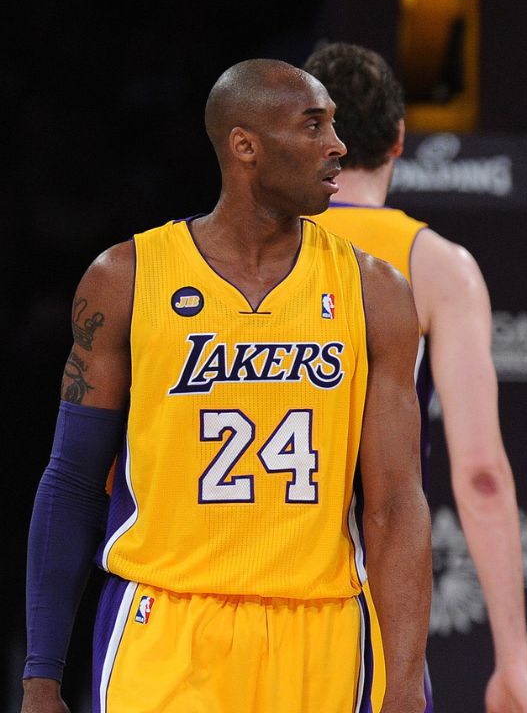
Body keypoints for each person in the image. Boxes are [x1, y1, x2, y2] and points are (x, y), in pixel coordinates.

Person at [22, 59, 431, 712]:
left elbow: (395, 506)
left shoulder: (375, 292)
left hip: (320, 627)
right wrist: (42, 674)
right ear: (246, 146)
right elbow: (71, 480)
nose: (339, 146)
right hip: (167, 623)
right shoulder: (126, 278)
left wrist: (407, 683)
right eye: (313, 125)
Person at [302, 43, 527, 713]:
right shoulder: (436, 265)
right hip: (363, 603)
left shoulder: (240, 247)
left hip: (234, 585)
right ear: (400, 141)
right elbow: (482, 474)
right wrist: (514, 657)